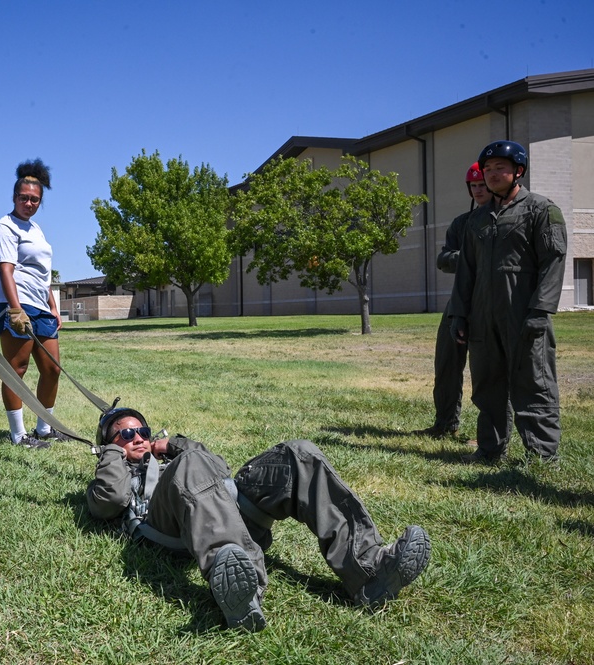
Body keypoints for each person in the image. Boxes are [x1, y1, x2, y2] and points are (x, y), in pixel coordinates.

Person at [86, 407, 431, 631]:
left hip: (226, 506)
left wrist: (173, 444)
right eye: (126, 434)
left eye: (142, 430)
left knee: (299, 454)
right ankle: (244, 592)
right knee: (190, 464)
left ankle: (368, 569)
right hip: (171, 526)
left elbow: (217, 467)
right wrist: (114, 452)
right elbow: (109, 501)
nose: (138, 438)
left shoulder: (173, 455)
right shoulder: (115, 471)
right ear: (109, 446)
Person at [449, 141, 568, 465]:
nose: (492, 174)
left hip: (523, 313)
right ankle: (490, 450)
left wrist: (540, 310)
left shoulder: (542, 210)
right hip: (482, 315)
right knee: (487, 385)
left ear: (518, 171)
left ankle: (542, 455)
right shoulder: (477, 221)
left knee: (533, 382)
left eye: (500, 167)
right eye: (487, 169)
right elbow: (465, 272)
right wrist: (460, 314)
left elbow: (553, 263)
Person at [0, 159, 64, 449]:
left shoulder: (37, 230)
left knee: (52, 369)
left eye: (35, 199)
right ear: (14, 197)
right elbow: (6, 270)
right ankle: (19, 436)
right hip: (14, 303)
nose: (29, 203)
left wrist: (53, 306)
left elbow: (43, 274)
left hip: (41, 305)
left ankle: (44, 429)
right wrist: (15, 308)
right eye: (24, 198)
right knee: (16, 369)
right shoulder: (5, 227)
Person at [416, 163, 492, 439]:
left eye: (482, 185)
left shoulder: (503, 219)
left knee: (489, 370)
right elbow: (443, 260)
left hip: (492, 303)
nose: (478, 190)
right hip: (459, 300)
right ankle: (445, 424)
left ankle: (494, 436)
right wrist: (468, 258)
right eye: (473, 186)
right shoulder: (461, 223)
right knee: (446, 363)